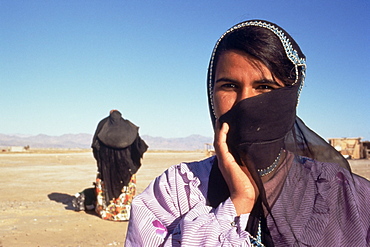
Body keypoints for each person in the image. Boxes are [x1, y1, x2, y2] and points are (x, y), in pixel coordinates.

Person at [125, 20, 370, 246]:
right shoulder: (175, 190)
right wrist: (238, 203)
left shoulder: (345, 195)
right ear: (212, 96)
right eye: (229, 86)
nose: (244, 102)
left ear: (290, 99)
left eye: (264, 87)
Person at [91, 109, 148, 221]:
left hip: (106, 168)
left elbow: (95, 146)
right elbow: (139, 146)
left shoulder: (103, 125)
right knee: (125, 188)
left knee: (106, 186)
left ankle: (107, 213)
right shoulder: (128, 128)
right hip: (127, 168)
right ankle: (124, 214)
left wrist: (102, 161)